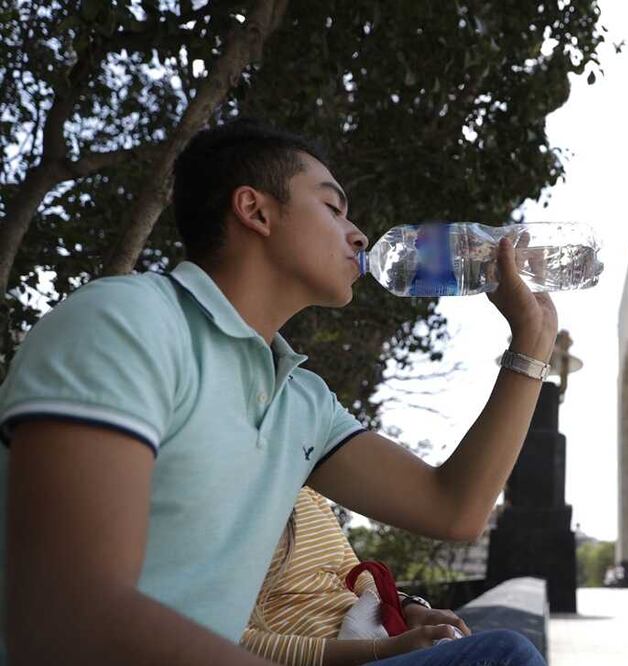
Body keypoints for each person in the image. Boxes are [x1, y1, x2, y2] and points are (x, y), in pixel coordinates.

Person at [0, 120, 556, 664]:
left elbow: (453, 508)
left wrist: (530, 348)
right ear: (255, 210)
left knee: (499, 654)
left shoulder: (300, 401)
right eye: (333, 208)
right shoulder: (127, 322)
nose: (358, 234)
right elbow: (66, 614)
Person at [241, 486, 489, 664]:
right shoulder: (216, 503)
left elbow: (351, 573)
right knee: (509, 651)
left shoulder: (305, 490)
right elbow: (234, 639)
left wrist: (410, 607)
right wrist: (380, 650)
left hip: (382, 640)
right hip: (341, 654)